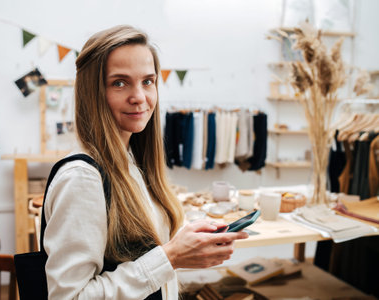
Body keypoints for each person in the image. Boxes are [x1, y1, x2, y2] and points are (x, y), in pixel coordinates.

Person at [43, 25, 248, 299]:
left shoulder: (132, 162)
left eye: (148, 81)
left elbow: (143, 263)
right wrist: (171, 257)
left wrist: (188, 247)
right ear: (93, 92)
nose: (139, 97)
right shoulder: (83, 178)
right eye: (119, 82)